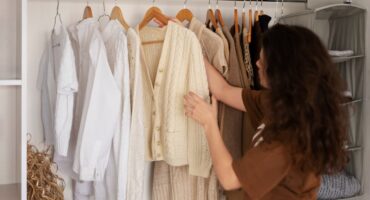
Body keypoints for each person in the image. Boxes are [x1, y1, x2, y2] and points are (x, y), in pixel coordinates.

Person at [184, 24, 348, 199]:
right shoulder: (280, 105)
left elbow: (229, 178)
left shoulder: (287, 142)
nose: (257, 62)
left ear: (280, 70)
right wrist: (190, 46)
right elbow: (222, 90)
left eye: (263, 60)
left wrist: (209, 123)